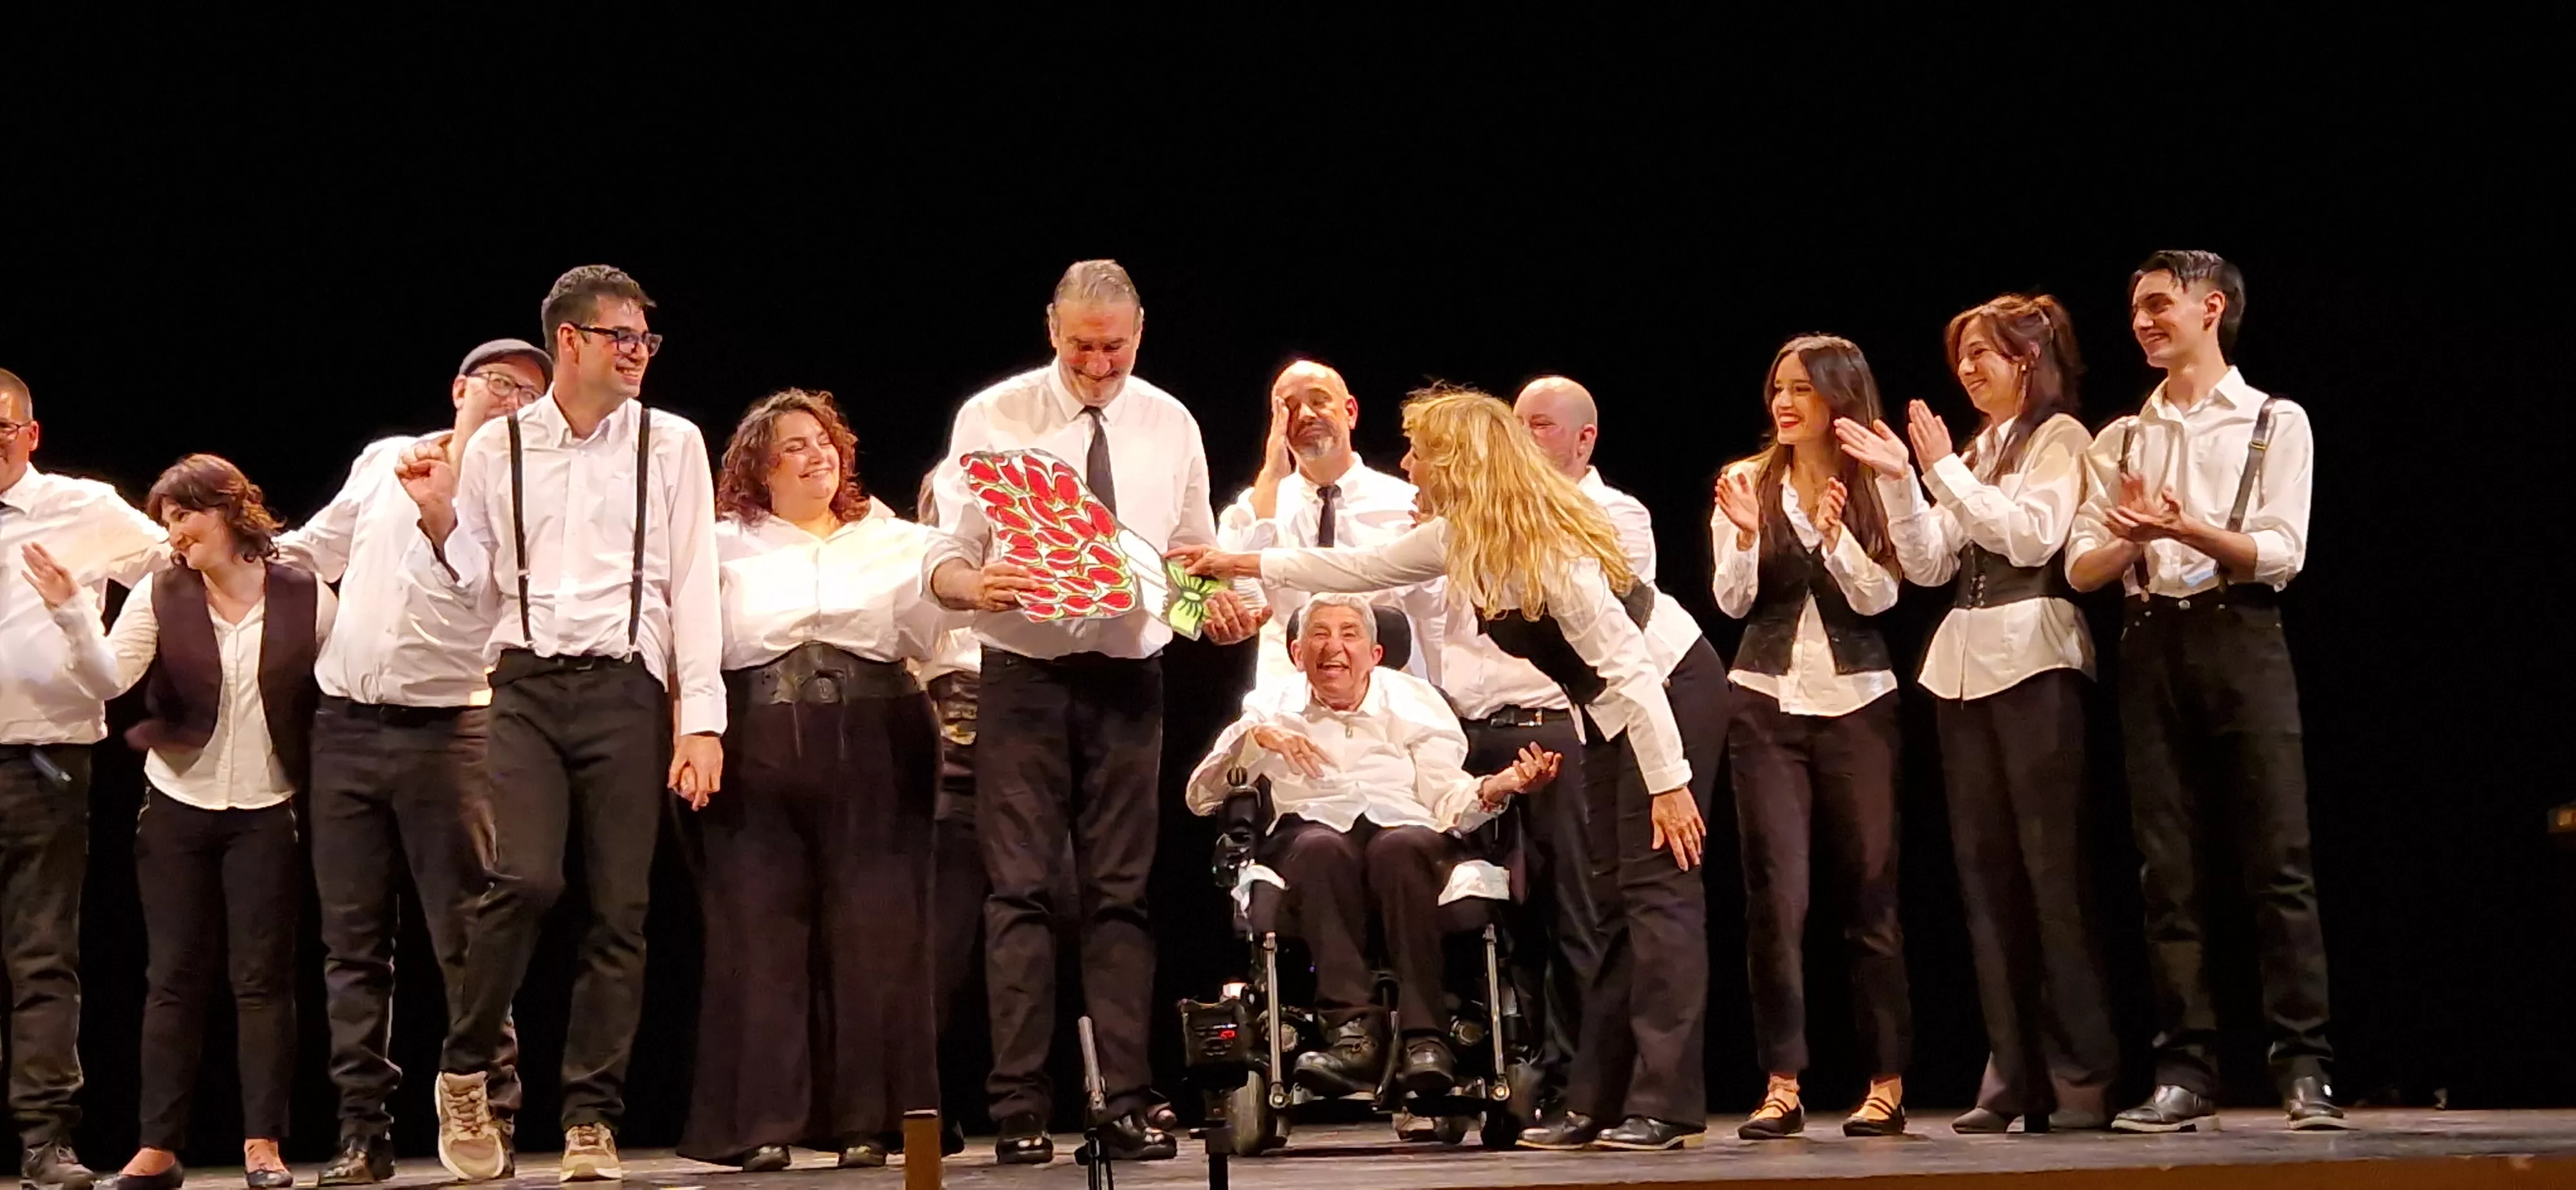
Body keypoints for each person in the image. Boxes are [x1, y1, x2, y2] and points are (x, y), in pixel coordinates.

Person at [1182, 387, 1708, 1152]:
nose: (1407, 466)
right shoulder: (1463, 535)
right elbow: (1356, 567)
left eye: (1419, 452)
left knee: (1659, 892)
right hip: (1611, 709)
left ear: (1457, 463)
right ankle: (1595, 1100)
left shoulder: (1544, 547)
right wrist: (1236, 560)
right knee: (1610, 900)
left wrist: (1670, 783)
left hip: (1666, 696)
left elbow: (1630, 670)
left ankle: (1667, 1102)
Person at [922, 260, 1264, 1165]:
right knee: (1021, 892)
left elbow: (1191, 555)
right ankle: (1021, 1107)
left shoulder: (1170, 421)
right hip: (1024, 674)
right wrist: (969, 583)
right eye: (1082, 346)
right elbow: (948, 553)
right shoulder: (994, 416)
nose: (1100, 363)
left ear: (1140, 333)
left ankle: (1126, 1097)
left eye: (1115, 347)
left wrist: (1215, 605)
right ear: (1051, 329)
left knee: (1121, 895)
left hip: (1129, 678)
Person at [397, 265, 727, 1181]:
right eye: (623, 337)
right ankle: (465, 1067)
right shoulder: (501, 447)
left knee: (620, 908)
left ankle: (591, 1119)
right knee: (527, 880)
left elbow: (692, 583)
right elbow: (475, 584)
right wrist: (437, 524)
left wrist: (701, 720)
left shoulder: (672, 443)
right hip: (528, 682)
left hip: (627, 684)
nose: (639, 354)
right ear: (570, 342)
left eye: (647, 340)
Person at [2065, 250, 2340, 1131]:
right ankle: (2186, 1069)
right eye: (2136, 309)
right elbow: (2082, 564)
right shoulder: (2123, 439)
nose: (2143, 322)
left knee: (2279, 864)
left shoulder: (2272, 420)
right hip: (2152, 640)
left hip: (2242, 634)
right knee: (2168, 872)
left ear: (2211, 307)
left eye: (2159, 305)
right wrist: (2134, 539)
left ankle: (2304, 1068)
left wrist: (2190, 527)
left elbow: (2282, 550)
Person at [1837, 296, 2117, 1133]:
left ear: (2029, 360)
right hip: (1964, 668)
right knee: (1986, 885)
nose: (1968, 371)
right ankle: (2012, 1071)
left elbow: (2035, 540)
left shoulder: (2062, 438)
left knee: (2051, 878)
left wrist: (1942, 472)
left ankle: (2080, 1076)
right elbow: (1928, 566)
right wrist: (1899, 480)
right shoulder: (1976, 449)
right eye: (1961, 357)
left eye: (1984, 355)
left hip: (2034, 659)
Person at [274, 339, 547, 1184]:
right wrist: (230, 550)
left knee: (468, 938)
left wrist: (444, 513)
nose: (513, 401)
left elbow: (500, 599)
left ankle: (488, 1114)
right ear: (462, 388)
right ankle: (363, 1130)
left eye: (532, 395)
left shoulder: (527, 493)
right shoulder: (387, 458)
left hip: (453, 733)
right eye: (501, 384)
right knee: (351, 945)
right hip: (346, 728)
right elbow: (313, 552)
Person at [28, 455, 332, 1190]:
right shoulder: (163, 591)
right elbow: (110, 680)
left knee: (261, 982)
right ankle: (158, 1147)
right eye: (167, 520)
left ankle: (264, 1144)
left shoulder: (305, 593)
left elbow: (342, 683)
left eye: (184, 517)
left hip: (267, 806)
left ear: (227, 511)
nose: (174, 534)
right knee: (173, 979)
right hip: (178, 807)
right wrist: (74, 611)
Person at [681, 390, 954, 1170]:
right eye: (794, 446)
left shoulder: (894, 537)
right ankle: (761, 1121)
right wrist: (690, 731)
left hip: (880, 735)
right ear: (758, 467)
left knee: (877, 934)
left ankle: (871, 1120)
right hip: (758, 737)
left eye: (825, 441)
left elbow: (935, 631)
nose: (817, 456)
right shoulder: (719, 541)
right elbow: (691, 643)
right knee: (759, 934)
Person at [1185, 594, 1560, 1093]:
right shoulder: (1269, 707)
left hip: (1405, 829)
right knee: (1322, 848)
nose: (1333, 647)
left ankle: (1426, 1039)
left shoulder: (1414, 701)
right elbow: (1201, 797)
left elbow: (1447, 796)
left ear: (1375, 654)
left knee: (1398, 849)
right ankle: (1353, 1033)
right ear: (1297, 653)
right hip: (1309, 839)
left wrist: (1500, 786)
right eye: (1318, 634)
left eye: (1348, 634)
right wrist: (1256, 740)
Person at [1709, 335, 1912, 1139]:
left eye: (1801, 390)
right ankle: (1782, 1082)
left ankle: (1886, 1080)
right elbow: (1731, 602)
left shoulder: (1872, 479)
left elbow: (1883, 598)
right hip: (1764, 702)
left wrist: (1834, 540)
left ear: (1839, 397)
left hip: (1859, 701)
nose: (1784, 404)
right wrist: (1749, 536)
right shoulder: (1744, 482)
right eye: (1777, 389)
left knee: (1870, 894)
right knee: (1774, 898)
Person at [1, 367, 164, 1190]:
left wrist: (110, 660)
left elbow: (177, 575)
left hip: (40, 758)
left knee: (41, 958)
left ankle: (44, 1141)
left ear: (30, 435)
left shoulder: (85, 507)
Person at [1218, 360, 1443, 688]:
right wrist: (1271, 476)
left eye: (1319, 400)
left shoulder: (1407, 503)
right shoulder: (1256, 508)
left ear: (1350, 411)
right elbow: (1239, 593)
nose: (1306, 415)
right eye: (1289, 408)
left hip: (1388, 705)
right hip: (1289, 705)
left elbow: (1432, 611)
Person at [913, 473, 983, 1162]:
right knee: (942, 949)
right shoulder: (909, 574)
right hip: (944, 776)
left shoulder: (1026, 573)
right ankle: (925, 1106)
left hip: (1032, 767)